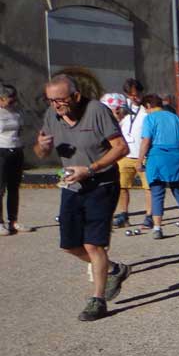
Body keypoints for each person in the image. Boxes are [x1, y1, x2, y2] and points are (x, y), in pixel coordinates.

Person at [33, 74, 131, 321]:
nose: (55, 105)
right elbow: (40, 152)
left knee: (93, 245)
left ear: (76, 96)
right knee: (69, 245)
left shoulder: (97, 111)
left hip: (101, 184)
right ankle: (114, 269)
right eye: (50, 100)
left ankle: (97, 300)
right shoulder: (51, 115)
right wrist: (42, 147)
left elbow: (121, 148)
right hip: (71, 186)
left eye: (60, 99)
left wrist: (90, 169)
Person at [138, 94, 179, 239]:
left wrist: (139, 160)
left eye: (145, 109)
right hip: (175, 157)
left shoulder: (150, 118)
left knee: (157, 193)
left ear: (148, 105)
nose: (146, 112)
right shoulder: (176, 118)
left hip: (156, 157)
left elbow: (146, 140)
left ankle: (157, 228)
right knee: (178, 190)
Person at [119, 78, 154, 229]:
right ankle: (124, 215)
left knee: (149, 188)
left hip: (145, 156)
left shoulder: (148, 108)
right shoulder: (123, 107)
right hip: (125, 155)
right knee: (122, 186)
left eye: (136, 94)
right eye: (130, 94)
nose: (134, 97)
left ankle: (149, 216)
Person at [0, 83, 26, 235]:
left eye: (14, 99)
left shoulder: (17, 112)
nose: (12, 102)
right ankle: (0, 222)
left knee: (14, 188)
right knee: (0, 189)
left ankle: (13, 221)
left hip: (16, 150)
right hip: (1, 151)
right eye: (9, 99)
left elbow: (20, 130)